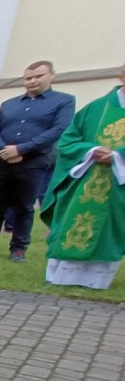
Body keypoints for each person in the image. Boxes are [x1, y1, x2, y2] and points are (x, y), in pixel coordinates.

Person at [0, 61, 75, 263]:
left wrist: (21, 149)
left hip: (33, 164)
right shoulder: (9, 104)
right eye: (28, 77)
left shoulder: (63, 101)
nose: (33, 81)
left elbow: (57, 130)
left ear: (51, 75)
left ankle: (18, 248)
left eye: (38, 76)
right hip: (1, 164)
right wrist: (3, 150)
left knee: (24, 207)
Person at [40, 63, 125, 290]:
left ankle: (97, 280)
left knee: (108, 229)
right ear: (122, 77)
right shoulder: (96, 109)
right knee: (72, 224)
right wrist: (90, 151)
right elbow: (68, 141)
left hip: (118, 187)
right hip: (84, 181)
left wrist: (117, 156)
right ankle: (63, 276)